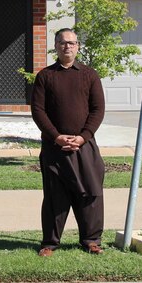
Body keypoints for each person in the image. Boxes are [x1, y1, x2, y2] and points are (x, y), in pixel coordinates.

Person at [31, 28, 105, 257]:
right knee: (55, 196)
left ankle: (91, 241)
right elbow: (38, 111)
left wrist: (83, 137)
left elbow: (98, 109)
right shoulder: (45, 76)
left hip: (84, 145)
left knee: (90, 193)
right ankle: (50, 243)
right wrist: (56, 136)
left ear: (78, 46)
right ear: (56, 46)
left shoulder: (89, 75)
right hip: (55, 147)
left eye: (72, 43)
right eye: (63, 43)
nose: (68, 47)